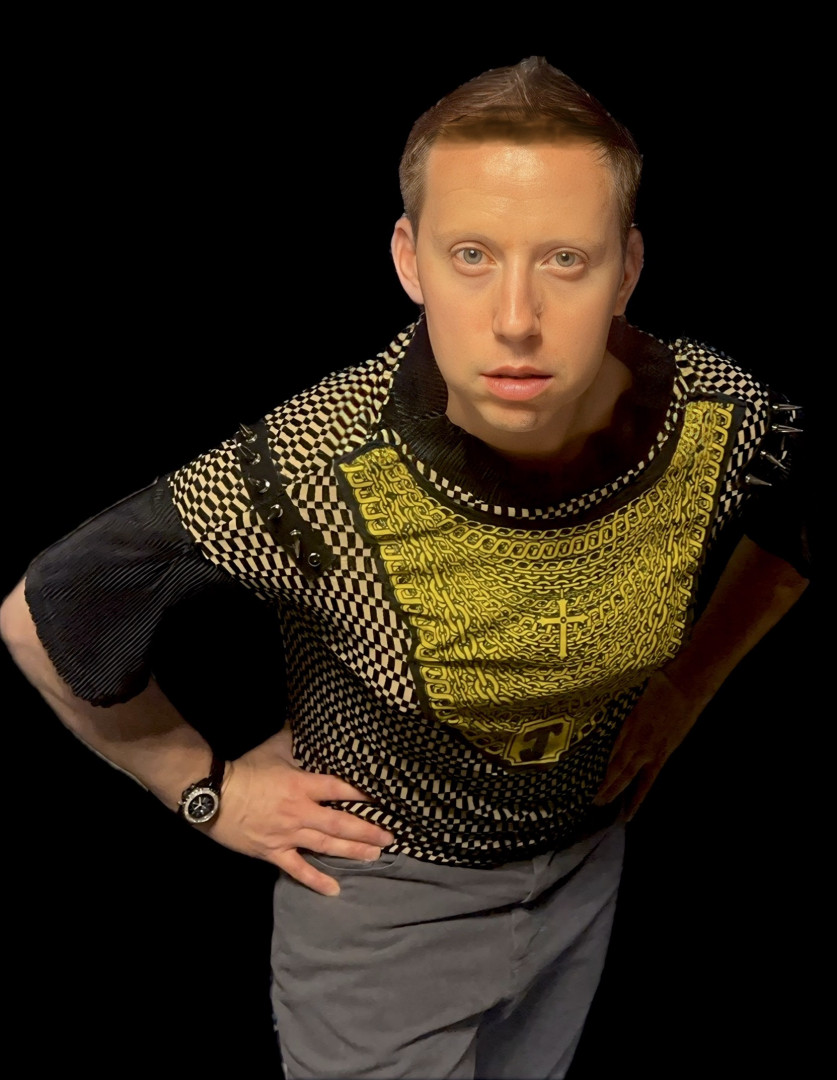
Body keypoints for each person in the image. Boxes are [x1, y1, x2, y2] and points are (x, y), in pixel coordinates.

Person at [1, 56, 811, 1079]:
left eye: (565, 259)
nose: (514, 316)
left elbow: (789, 529)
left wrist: (685, 687)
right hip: (385, 898)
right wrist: (203, 789)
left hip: (583, 870)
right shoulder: (318, 465)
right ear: (409, 259)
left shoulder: (717, 415)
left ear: (627, 267)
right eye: (471, 255)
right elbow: (46, 613)